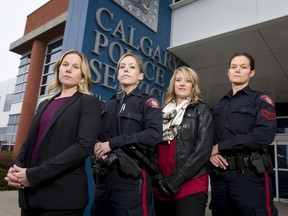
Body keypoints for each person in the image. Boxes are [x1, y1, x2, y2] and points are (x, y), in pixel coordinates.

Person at [5, 49, 102, 216]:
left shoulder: (88, 102)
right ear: (58, 69)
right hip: (30, 195)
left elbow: (83, 147)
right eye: (65, 64)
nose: (68, 69)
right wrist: (17, 170)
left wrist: (34, 175)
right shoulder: (44, 104)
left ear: (83, 75)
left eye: (75, 66)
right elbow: (29, 143)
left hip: (62, 198)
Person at [92, 52, 162, 216]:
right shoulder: (108, 104)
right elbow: (99, 136)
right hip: (105, 177)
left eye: (132, 67)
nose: (126, 70)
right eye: (122, 67)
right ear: (117, 74)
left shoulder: (147, 102)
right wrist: (96, 147)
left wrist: (113, 143)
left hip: (132, 177)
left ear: (140, 76)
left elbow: (154, 135)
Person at [209, 52, 278, 216]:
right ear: (228, 72)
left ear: (251, 73)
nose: (237, 70)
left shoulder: (260, 100)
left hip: (250, 176)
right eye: (233, 67)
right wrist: (209, 154)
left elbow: (263, 135)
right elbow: (209, 138)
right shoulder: (218, 106)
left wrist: (220, 147)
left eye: (243, 67)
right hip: (220, 178)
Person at [153, 66, 214, 216]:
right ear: (173, 84)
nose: (182, 84)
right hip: (161, 184)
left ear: (193, 86)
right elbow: (151, 148)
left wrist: (176, 179)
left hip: (190, 183)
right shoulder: (161, 112)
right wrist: (158, 178)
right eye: (178, 80)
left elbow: (203, 150)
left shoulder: (201, 110)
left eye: (187, 81)